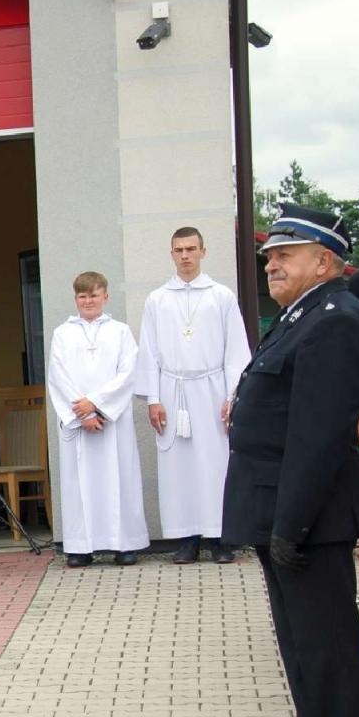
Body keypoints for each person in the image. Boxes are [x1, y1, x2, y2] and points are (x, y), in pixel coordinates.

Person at [224, 203, 359, 717]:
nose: (271, 263)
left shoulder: (335, 319)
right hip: (285, 516)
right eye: (269, 256)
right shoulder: (303, 314)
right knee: (303, 645)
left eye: (285, 254)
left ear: (325, 261)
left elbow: (318, 434)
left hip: (309, 519)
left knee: (327, 647)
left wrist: (293, 524)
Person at [135, 227, 249, 563]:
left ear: (203, 251)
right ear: (171, 254)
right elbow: (149, 353)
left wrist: (233, 395)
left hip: (212, 389)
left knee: (215, 464)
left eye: (191, 249)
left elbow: (236, 351)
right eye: (178, 250)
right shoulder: (158, 299)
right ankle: (186, 539)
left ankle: (219, 538)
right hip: (173, 391)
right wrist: (154, 398)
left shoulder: (221, 296)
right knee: (178, 467)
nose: (185, 256)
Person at [46, 272, 148, 567]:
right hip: (79, 423)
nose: (88, 301)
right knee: (80, 485)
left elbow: (128, 373)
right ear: (75, 299)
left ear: (106, 296)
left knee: (118, 479)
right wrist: (84, 413)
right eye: (82, 296)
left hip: (111, 422)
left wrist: (98, 406)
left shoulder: (120, 332)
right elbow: (58, 375)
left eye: (94, 295)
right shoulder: (63, 333)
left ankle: (123, 545)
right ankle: (81, 547)